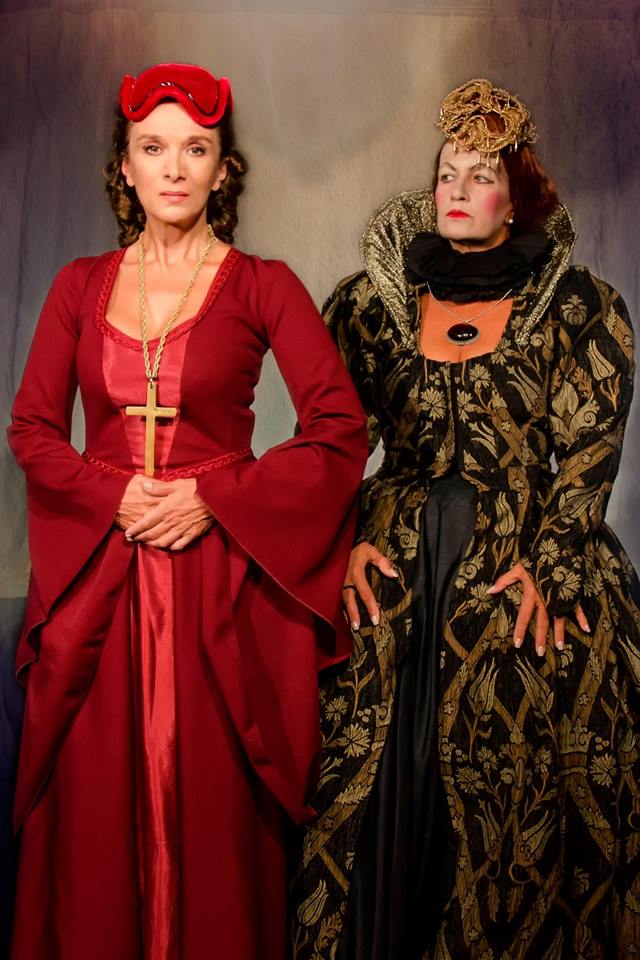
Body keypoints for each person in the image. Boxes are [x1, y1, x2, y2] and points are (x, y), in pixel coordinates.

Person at [8, 62, 368, 960]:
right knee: (92, 814)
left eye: (195, 149)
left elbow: (339, 428)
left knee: (213, 812)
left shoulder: (264, 285)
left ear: (223, 170)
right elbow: (33, 429)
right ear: (125, 168)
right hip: (101, 582)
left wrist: (215, 496)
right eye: (153, 147)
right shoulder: (76, 286)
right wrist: (113, 493)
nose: (174, 167)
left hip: (218, 586)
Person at [290, 79, 640, 959]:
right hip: (397, 559)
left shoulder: (578, 308)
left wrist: (554, 567)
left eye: (481, 176)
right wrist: (342, 543)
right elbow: (329, 442)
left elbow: (590, 448)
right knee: (364, 764)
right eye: (448, 171)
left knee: (521, 761)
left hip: (525, 550)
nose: (456, 188)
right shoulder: (371, 305)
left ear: (516, 198)